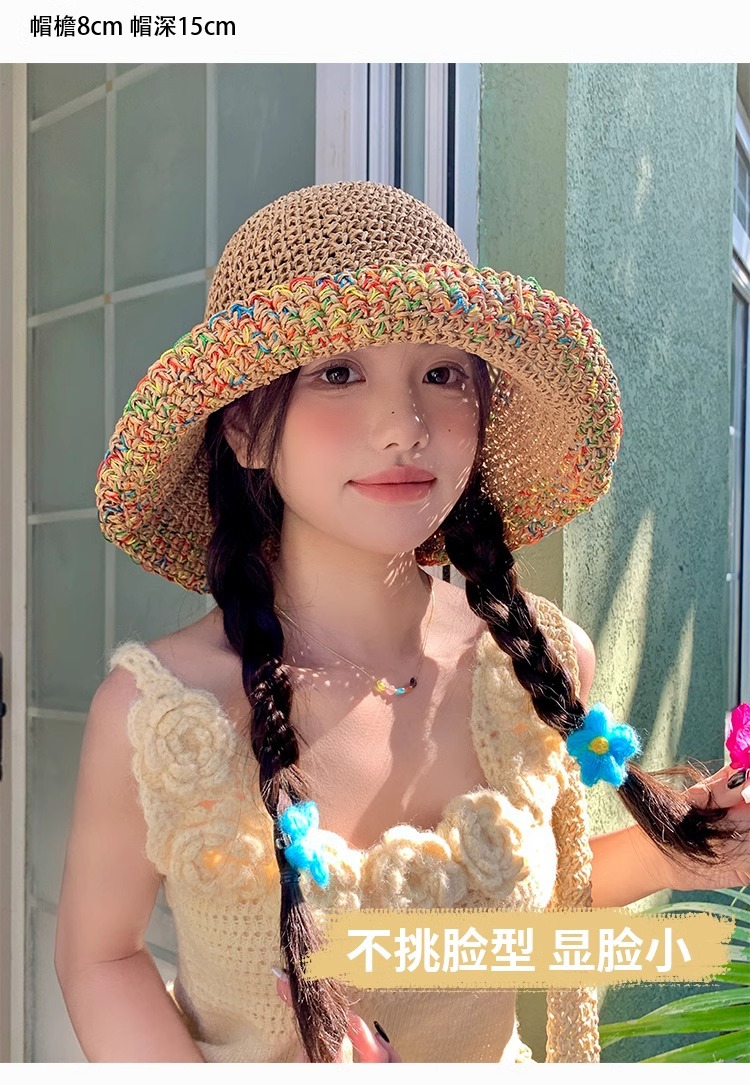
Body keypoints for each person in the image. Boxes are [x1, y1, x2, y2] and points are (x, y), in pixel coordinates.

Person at [55, 181, 750, 1064]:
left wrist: (680, 851)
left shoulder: (534, 664)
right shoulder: (159, 715)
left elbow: (526, 900)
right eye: (338, 372)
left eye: (443, 374)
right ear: (245, 429)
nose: (404, 426)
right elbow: (99, 956)